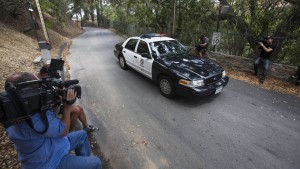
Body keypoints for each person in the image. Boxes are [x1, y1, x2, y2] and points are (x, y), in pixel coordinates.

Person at [4, 72, 102, 169]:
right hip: (49, 162)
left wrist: (57, 102)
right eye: (37, 86)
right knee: (96, 163)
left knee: (82, 135)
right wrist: (67, 106)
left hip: (51, 146)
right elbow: (63, 131)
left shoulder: (12, 113)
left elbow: (51, 118)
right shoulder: (35, 119)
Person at [35, 65, 99, 132]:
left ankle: (86, 127)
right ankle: (70, 133)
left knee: (79, 108)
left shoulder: (39, 78)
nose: (52, 80)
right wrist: (63, 101)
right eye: (52, 78)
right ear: (46, 74)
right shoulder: (35, 85)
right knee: (76, 110)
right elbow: (54, 111)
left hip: (52, 106)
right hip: (47, 110)